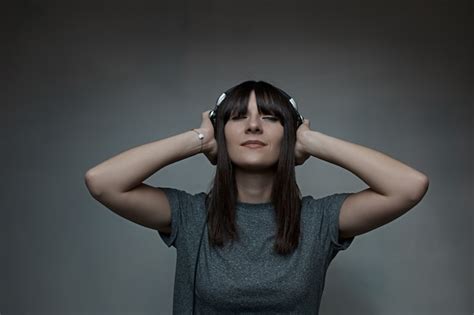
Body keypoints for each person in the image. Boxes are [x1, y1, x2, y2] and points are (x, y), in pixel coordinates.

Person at [84, 80, 429, 314]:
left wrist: (310, 141)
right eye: (237, 117)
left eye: (270, 118)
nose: (253, 126)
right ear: (222, 132)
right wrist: (200, 138)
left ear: (288, 134)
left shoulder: (319, 220)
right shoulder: (190, 216)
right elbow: (102, 182)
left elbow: (409, 186)